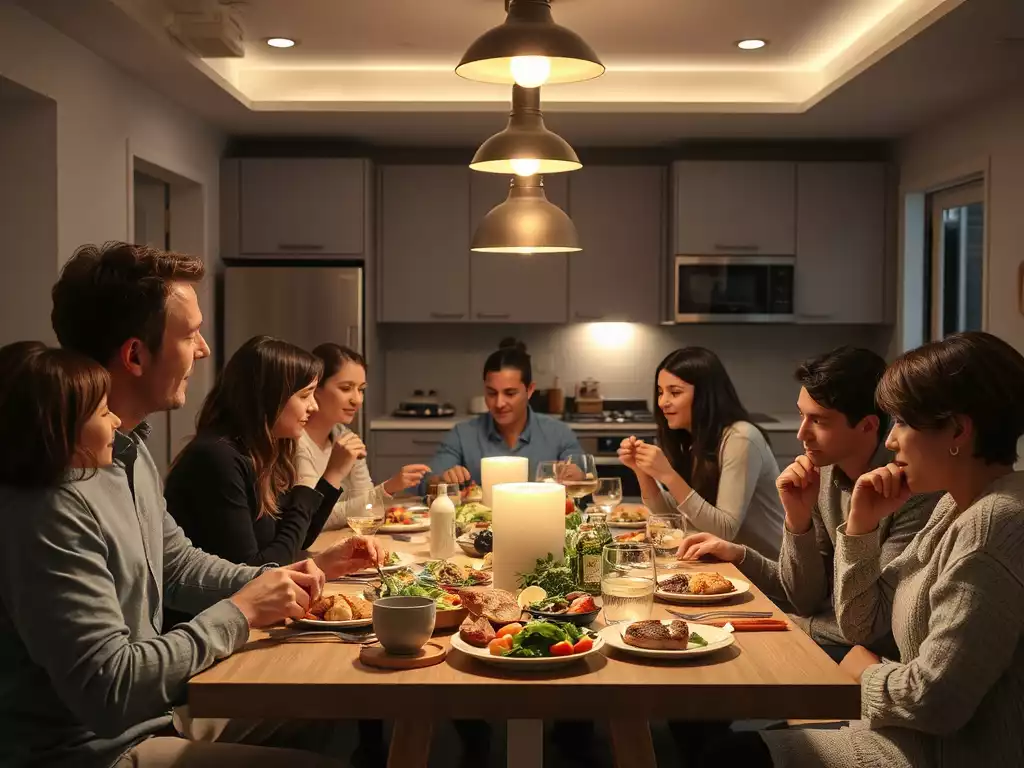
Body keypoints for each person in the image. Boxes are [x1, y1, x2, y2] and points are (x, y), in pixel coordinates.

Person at [0, 242, 381, 768]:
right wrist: (243, 611)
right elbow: (109, 689)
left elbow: (178, 564)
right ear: (135, 354)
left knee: (328, 703)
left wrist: (281, 577)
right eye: (190, 333)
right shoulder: (53, 493)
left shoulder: (131, 452)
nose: (203, 350)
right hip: (95, 750)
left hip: (156, 714)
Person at [713, 331, 1024, 767]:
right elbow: (861, 627)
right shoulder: (955, 507)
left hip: (938, 754)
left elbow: (935, 701)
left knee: (719, 754)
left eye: (901, 422)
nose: (891, 441)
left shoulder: (990, 526)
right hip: (900, 735)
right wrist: (859, 528)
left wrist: (865, 671)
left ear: (958, 429)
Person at [677, 347, 937, 660]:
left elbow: (873, 627)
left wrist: (799, 626)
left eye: (819, 421)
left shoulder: (911, 492)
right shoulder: (824, 473)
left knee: (728, 655)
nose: (803, 434)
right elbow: (805, 599)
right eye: (802, 415)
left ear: (868, 426)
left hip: (876, 657)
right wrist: (794, 522)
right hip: (833, 636)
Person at [165, 336, 374, 575]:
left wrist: (323, 561)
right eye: (305, 395)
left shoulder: (262, 451)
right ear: (269, 398)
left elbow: (298, 538)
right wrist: (307, 492)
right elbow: (256, 571)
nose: (313, 407)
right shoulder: (217, 458)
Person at [619, 347, 784, 559]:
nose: (662, 402)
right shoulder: (691, 438)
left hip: (768, 574)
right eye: (660, 392)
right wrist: (642, 471)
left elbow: (724, 531)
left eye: (675, 392)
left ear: (705, 395)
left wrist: (668, 475)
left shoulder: (740, 438)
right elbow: (671, 520)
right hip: (723, 565)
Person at [296, 343, 430, 528]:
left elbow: (367, 509)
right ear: (315, 387)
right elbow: (314, 518)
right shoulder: (296, 442)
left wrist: (384, 492)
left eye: (361, 389)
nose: (357, 400)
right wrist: (387, 489)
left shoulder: (344, 436)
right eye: (346, 388)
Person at [428, 338, 581, 487]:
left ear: (530, 391)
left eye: (510, 393)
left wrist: (577, 476)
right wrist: (441, 479)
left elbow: (584, 479)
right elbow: (426, 483)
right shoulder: (462, 435)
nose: (499, 403)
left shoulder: (559, 434)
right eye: (492, 393)